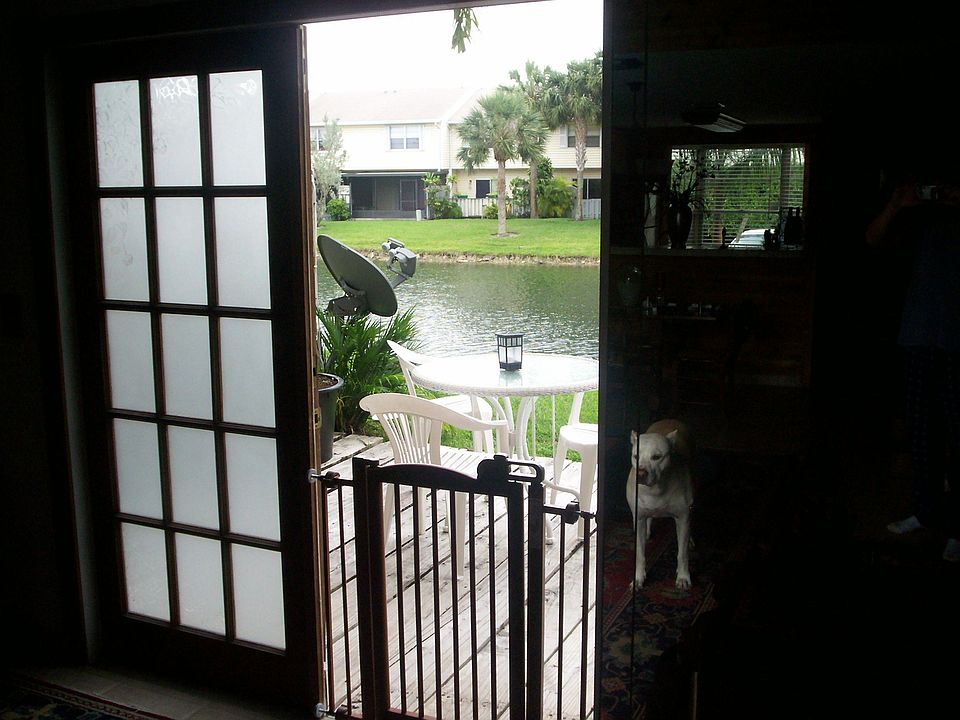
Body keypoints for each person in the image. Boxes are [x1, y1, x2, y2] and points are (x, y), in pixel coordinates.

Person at [866, 161, 960, 562]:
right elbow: (871, 240)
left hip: (958, 341)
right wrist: (896, 206)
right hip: (918, 336)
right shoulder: (917, 219)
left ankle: (958, 529)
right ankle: (924, 512)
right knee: (922, 432)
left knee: (959, 437)